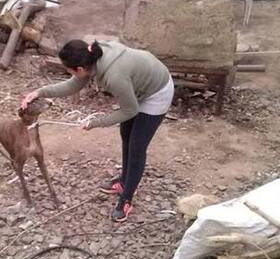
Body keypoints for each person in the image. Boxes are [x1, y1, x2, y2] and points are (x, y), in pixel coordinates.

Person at [22, 39, 173, 222]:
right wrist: (39, 92)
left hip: (157, 92)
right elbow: (73, 85)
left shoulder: (114, 76)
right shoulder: (91, 57)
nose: (69, 74)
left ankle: (126, 199)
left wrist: (96, 122)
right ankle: (123, 182)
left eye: (69, 70)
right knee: (126, 135)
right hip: (137, 88)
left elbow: (129, 110)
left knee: (137, 148)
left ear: (79, 69)